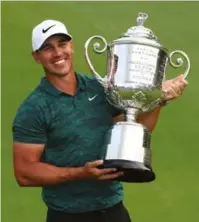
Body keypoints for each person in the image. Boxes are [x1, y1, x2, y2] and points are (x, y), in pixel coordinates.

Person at [12, 19, 188, 222]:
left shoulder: (99, 88)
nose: (58, 53)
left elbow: (134, 131)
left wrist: (159, 99)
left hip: (113, 210)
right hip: (67, 215)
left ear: (72, 46)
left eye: (62, 44)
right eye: (47, 48)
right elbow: (24, 173)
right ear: (36, 57)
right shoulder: (34, 108)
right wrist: (80, 173)